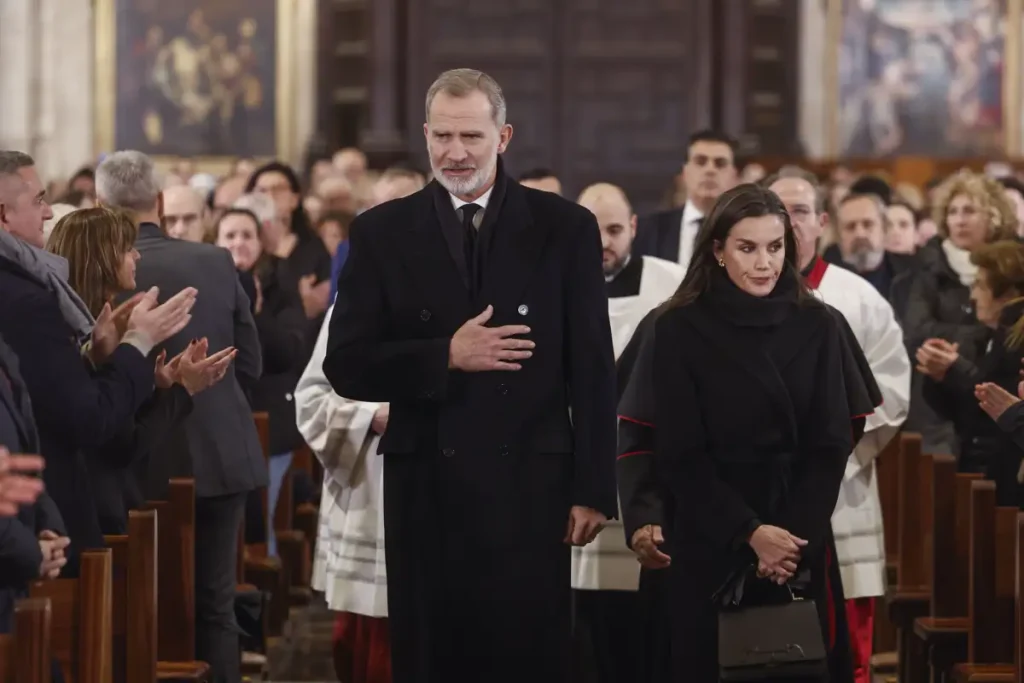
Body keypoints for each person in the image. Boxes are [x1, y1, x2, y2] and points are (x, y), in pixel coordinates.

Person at [323, 68, 617, 682]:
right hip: (426, 485)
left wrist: (594, 487)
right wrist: (443, 356)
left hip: (531, 486)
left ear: (503, 137)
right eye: (443, 136)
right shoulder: (380, 232)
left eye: (472, 137)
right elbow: (345, 365)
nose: (456, 153)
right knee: (434, 657)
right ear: (425, 135)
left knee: (526, 656)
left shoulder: (566, 228)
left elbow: (592, 368)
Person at [621, 183, 874, 682]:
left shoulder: (820, 325)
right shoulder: (676, 328)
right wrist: (751, 534)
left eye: (775, 247)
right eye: (747, 247)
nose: (764, 263)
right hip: (708, 532)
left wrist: (787, 541)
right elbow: (679, 453)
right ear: (717, 250)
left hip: (798, 531)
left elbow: (832, 445)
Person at [95, 150, 264, 683]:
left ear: (100, 206)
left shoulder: (94, 267)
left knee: (136, 606)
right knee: (214, 606)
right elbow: (250, 362)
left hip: (138, 459)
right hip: (217, 454)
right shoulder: (215, 261)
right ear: (162, 203)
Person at [769, 169, 911, 683]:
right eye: (778, 211)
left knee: (846, 652)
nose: (789, 225)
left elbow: (890, 395)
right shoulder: (733, 299)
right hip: (754, 505)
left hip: (841, 493)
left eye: (801, 212)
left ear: (822, 222)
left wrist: (824, 455)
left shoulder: (859, 300)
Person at [571, 182, 682, 683]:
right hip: (577, 472)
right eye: (593, 231)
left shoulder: (672, 286)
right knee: (585, 633)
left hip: (648, 478)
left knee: (645, 635)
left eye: (614, 230)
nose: (604, 243)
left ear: (634, 227)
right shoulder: (552, 285)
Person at [296, 305, 390, 683]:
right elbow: (312, 402)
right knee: (365, 647)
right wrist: (370, 417)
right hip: (370, 493)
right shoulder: (351, 307)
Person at [920, 241, 1024, 506]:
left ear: (1006, 292)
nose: (973, 296)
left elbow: (1001, 404)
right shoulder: (992, 334)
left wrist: (956, 370)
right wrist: (941, 376)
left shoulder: (1015, 337)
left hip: (1006, 476)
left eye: (980, 284)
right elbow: (966, 411)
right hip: (985, 468)